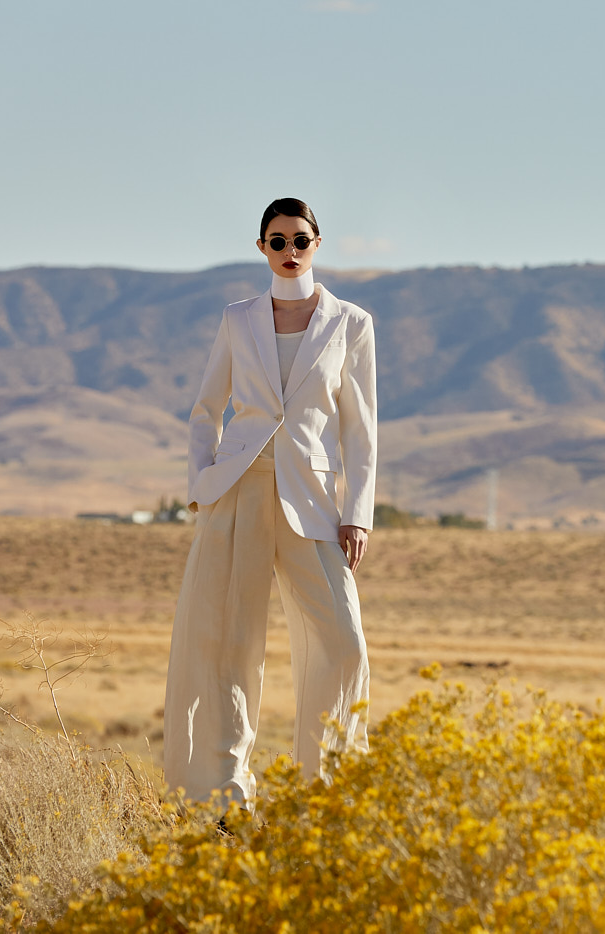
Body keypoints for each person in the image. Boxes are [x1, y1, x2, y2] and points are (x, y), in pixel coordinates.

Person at [163, 197, 376, 809]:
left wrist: (357, 511)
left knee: (343, 642)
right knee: (225, 642)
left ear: (317, 243)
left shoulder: (351, 323)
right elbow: (206, 409)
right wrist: (201, 486)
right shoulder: (238, 318)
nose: (289, 251)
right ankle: (221, 798)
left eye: (299, 240)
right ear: (260, 247)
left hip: (313, 500)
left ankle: (327, 794)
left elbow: (361, 430)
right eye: (277, 241)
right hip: (238, 489)